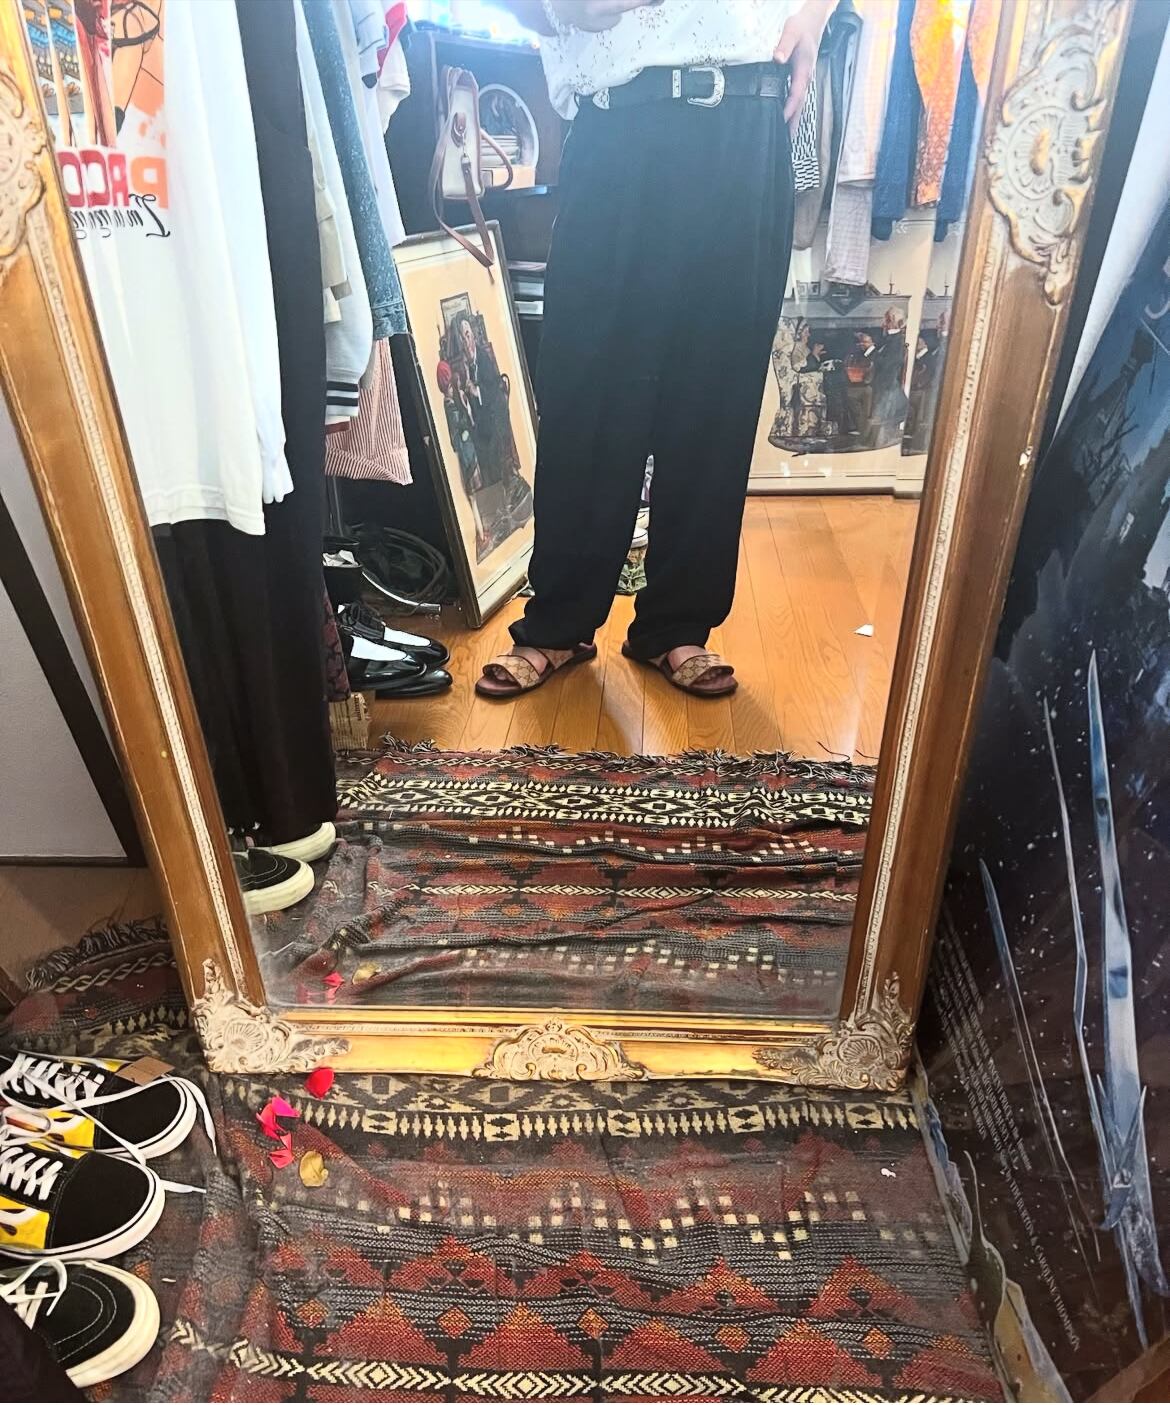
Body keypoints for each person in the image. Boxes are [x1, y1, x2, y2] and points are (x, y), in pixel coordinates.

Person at [477, 0, 834, 700]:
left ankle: (676, 623)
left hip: (749, 119)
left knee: (717, 390)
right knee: (588, 386)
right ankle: (559, 621)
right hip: (620, 122)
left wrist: (817, 16)